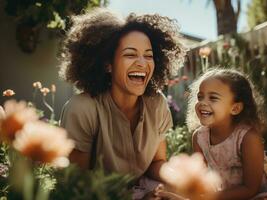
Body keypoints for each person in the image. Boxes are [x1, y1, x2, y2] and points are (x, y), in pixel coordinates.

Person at [58, 8, 186, 199]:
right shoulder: (83, 108)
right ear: (107, 64)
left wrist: (179, 181)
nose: (143, 63)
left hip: (143, 188)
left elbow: (156, 163)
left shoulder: (157, 103)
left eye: (148, 55)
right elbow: (77, 184)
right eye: (130, 54)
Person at [184, 68, 267, 200]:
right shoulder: (199, 138)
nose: (202, 103)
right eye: (200, 97)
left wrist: (210, 197)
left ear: (235, 108)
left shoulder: (248, 138)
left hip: (261, 193)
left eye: (213, 98)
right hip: (227, 194)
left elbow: (251, 189)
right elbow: (201, 180)